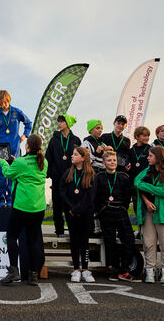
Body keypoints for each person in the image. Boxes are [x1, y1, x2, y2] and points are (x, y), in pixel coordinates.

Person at [0, 134, 48, 286]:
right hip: (38, 207)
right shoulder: (43, 162)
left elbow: (8, 173)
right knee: (33, 240)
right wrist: (15, 162)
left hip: (21, 207)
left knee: (12, 237)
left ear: (27, 146)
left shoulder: (20, 162)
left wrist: (3, 162)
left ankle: (13, 271)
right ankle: (33, 274)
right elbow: (27, 167)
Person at [93, 151, 138, 282]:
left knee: (129, 238)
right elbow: (96, 197)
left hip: (121, 211)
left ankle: (124, 270)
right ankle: (115, 270)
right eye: (109, 160)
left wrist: (123, 207)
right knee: (110, 242)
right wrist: (101, 209)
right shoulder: (99, 177)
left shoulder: (123, 177)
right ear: (104, 162)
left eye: (114, 160)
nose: (112, 162)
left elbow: (127, 195)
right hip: (106, 212)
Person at [134, 146, 164, 284]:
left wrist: (148, 188)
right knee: (149, 243)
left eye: (150, 155)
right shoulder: (146, 171)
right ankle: (150, 271)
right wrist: (147, 199)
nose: (148, 158)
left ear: (158, 157)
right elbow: (136, 183)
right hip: (147, 213)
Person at [60, 147, 96, 283]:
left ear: (83, 158)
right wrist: (72, 208)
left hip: (85, 213)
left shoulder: (91, 174)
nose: (72, 156)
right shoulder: (68, 173)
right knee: (74, 241)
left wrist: (78, 209)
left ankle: (86, 269)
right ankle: (76, 269)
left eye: (75, 154)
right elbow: (62, 191)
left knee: (84, 241)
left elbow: (90, 196)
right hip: (71, 213)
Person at [0, 90, 32, 207]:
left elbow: (28, 123)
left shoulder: (16, 112)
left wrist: (25, 135)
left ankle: (11, 197)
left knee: (13, 172)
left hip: (14, 146)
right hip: (0, 147)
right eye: (2, 103)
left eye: (6, 102)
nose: (4, 105)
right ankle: (1, 197)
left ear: (9, 100)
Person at [45, 114, 81, 237]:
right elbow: (48, 157)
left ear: (68, 123)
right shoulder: (54, 139)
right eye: (58, 121)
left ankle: (72, 229)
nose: (59, 124)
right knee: (57, 205)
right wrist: (49, 173)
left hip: (71, 177)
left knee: (71, 204)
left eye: (62, 121)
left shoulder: (76, 140)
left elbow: (79, 158)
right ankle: (59, 230)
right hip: (57, 177)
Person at [128, 126, 152, 214]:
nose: (147, 138)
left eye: (148, 136)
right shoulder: (130, 151)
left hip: (146, 183)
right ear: (137, 137)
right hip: (134, 183)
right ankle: (140, 227)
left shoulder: (151, 150)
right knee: (137, 207)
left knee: (148, 207)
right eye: (144, 135)